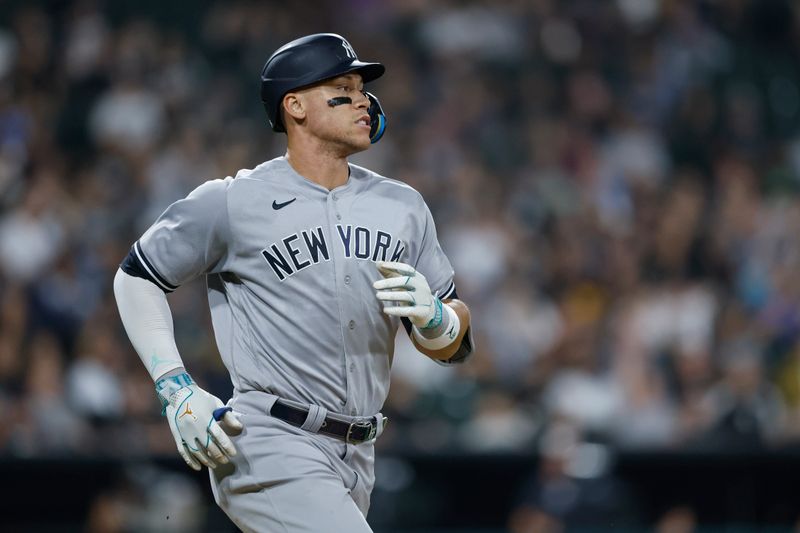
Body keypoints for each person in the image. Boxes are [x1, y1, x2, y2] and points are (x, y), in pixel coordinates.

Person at [113, 33, 473, 532]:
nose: (363, 100)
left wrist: (437, 321)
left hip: (359, 451)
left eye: (363, 89)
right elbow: (136, 276)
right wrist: (175, 387)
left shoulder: (403, 206)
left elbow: (456, 346)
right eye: (342, 89)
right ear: (295, 105)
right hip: (269, 438)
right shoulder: (234, 201)